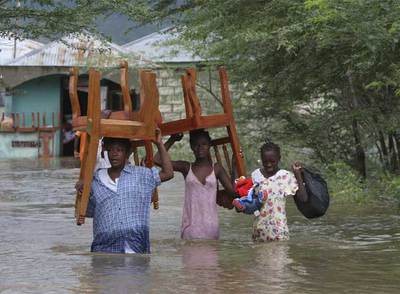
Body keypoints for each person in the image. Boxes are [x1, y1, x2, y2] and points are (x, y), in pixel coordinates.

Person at [77, 129, 173, 254]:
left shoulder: (141, 175)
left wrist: (159, 143)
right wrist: (82, 191)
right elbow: (88, 213)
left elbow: (168, 173)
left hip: (136, 247)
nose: (114, 154)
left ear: (127, 153)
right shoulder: (95, 180)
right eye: (111, 150)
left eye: (119, 150)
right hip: (104, 249)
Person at [154, 129, 236, 240]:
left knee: (210, 256)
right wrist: (172, 139)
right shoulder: (186, 167)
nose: (200, 148)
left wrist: (234, 168)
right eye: (196, 145)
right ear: (192, 147)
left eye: (204, 144)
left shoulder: (217, 169)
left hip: (211, 227)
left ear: (209, 145)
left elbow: (233, 192)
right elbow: (158, 160)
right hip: (190, 227)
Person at [252, 141, 308, 241]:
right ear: (261, 159)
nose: (268, 164)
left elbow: (303, 198)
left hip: (279, 234)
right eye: (265, 161)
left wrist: (298, 174)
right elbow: (249, 201)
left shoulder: (285, 176)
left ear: (279, 159)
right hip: (258, 234)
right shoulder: (255, 175)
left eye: (272, 161)